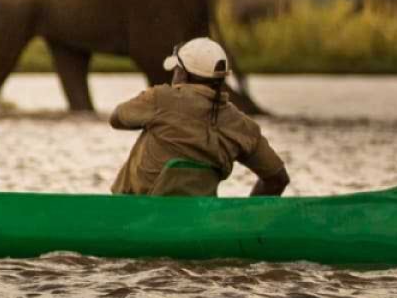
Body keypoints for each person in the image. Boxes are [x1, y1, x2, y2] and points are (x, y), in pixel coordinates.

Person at [109, 37, 289, 197]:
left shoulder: (160, 99)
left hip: (137, 214)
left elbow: (116, 118)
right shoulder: (243, 127)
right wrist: (248, 217)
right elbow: (277, 179)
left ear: (183, 73)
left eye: (176, 70)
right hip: (201, 222)